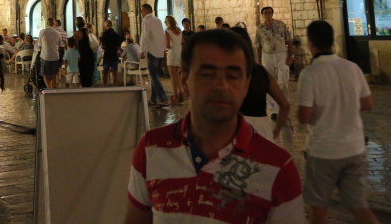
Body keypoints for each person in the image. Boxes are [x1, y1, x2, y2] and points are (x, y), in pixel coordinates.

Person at [125, 29, 303, 222]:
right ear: (184, 80)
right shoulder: (151, 150)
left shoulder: (278, 167)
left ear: (246, 84)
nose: (222, 86)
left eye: (233, 76)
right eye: (208, 74)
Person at [297, 20, 377, 224]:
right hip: (354, 148)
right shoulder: (352, 67)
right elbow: (367, 103)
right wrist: (345, 106)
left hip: (324, 151)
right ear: (332, 42)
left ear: (311, 43)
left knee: (319, 209)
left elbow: (304, 116)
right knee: (359, 207)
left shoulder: (310, 74)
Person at [230, 27, 290, 140]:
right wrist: (276, 131)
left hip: (237, 130)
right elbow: (285, 105)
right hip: (262, 130)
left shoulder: (227, 74)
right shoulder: (261, 72)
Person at [257, 6, 293, 119]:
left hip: (281, 55)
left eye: (269, 12)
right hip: (267, 56)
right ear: (262, 15)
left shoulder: (281, 25)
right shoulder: (260, 28)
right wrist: (259, 62)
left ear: (272, 13)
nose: (267, 15)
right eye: (265, 13)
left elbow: (289, 41)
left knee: (283, 81)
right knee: (269, 83)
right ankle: (273, 110)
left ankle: (284, 106)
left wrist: (290, 56)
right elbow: (258, 45)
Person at [138, 3, 168, 107]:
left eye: (142, 10)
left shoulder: (146, 20)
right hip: (159, 51)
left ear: (146, 10)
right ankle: (153, 100)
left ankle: (163, 98)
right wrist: (164, 50)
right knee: (155, 75)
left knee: (153, 76)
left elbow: (145, 36)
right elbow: (162, 36)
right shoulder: (158, 20)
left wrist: (142, 50)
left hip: (152, 51)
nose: (141, 13)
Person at [164, 15, 186, 104]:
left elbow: (167, 45)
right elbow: (183, 41)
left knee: (173, 77)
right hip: (179, 53)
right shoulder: (179, 30)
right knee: (179, 75)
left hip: (172, 53)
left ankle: (176, 95)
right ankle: (181, 92)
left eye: (166, 21)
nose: (165, 22)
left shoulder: (167, 31)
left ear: (168, 22)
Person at [37, 18, 62, 89]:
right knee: (54, 75)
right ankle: (52, 88)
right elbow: (60, 45)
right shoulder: (57, 33)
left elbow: (39, 44)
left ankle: (49, 88)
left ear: (47, 23)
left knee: (45, 75)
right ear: (53, 24)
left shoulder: (42, 32)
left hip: (45, 56)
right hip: (55, 56)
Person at [100, 20, 122, 86]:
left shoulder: (104, 34)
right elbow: (118, 46)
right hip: (114, 55)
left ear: (106, 25)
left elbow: (103, 46)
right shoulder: (116, 34)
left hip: (107, 55)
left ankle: (105, 85)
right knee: (115, 72)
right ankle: (115, 85)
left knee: (105, 72)